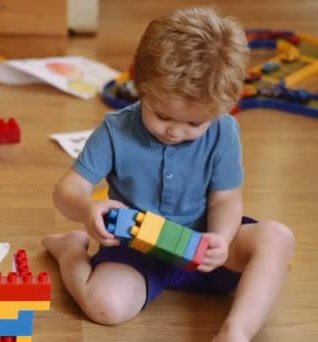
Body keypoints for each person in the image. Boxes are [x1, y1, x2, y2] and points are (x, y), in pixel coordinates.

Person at [42, 7, 294, 342]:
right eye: (162, 115)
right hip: (138, 246)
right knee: (105, 306)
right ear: (141, 88)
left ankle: (236, 331)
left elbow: (226, 199)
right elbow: (67, 190)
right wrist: (87, 210)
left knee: (278, 237)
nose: (174, 131)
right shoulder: (116, 130)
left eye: (194, 124)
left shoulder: (224, 131)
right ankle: (70, 250)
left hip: (203, 244)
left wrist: (220, 237)